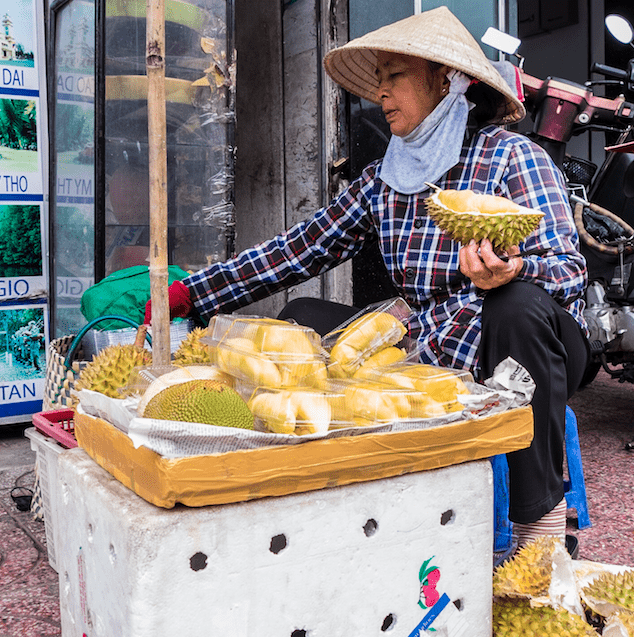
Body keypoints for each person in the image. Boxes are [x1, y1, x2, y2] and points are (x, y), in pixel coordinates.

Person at [145, 6, 589, 548]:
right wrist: (193, 292)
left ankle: (537, 527)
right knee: (303, 319)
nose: (380, 93)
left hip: (522, 341)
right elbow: (299, 249)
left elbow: (569, 273)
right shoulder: (384, 179)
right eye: (378, 81)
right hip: (425, 339)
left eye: (395, 77)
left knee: (514, 307)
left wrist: (512, 270)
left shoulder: (511, 157)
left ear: (447, 82)